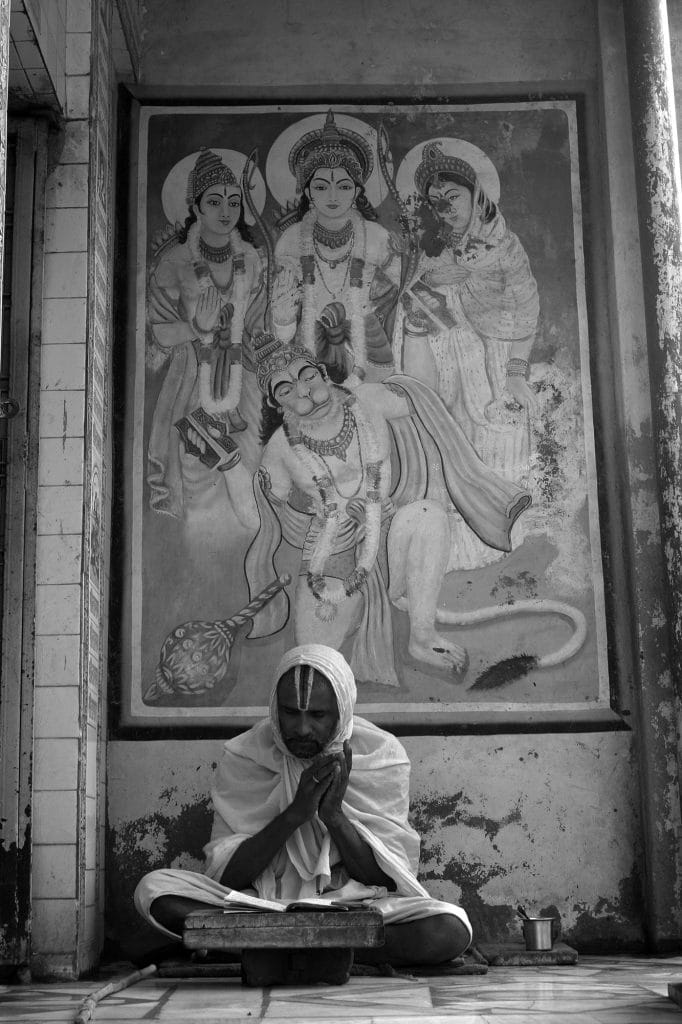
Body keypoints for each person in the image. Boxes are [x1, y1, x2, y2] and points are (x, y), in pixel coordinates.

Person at [194, 337, 530, 683]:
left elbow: (425, 395)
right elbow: (256, 515)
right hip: (333, 557)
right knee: (312, 663)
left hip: (389, 544)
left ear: (323, 374)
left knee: (429, 516)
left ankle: (422, 635)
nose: (304, 392)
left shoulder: (368, 401)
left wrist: (403, 335)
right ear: (275, 403)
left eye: (307, 376)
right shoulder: (281, 449)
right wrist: (228, 463)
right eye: (286, 389)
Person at [134, 644, 473, 967]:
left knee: (448, 928)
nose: (301, 728)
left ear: (343, 709)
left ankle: (265, 949)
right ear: (274, 707)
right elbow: (228, 876)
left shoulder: (381, 755)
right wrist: (295, 815)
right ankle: (328, 952)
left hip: (352, 908)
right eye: (290, 713)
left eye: (318, 714)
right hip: (259, 907)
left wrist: (334, 817)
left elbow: (389, 880)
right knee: (155, 891)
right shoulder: (244, 754)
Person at [395, 139, 540, 570]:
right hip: (445, 369)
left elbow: (527, 309)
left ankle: (509, 550)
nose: (446, 208)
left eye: (453, 196)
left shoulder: (505, 247)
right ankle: (456, 555)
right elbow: (409, 312)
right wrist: (429, 284)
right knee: (448, 452)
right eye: (435, 202)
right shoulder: (428, 251)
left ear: (475, 194)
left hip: (496, 364)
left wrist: (515, 374)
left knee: (502, 441)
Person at [146, 147, 266, 524]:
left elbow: (258, 326)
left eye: (233, 202)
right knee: (198, 478)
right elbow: (160, 334)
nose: (225, 211)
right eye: (214, 202)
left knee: (251, 470)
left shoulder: (251, 258)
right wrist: (198, 327)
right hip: (192, 384)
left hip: (243, 382)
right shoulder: (175, 264)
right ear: (196, 208)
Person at [271, 110, 402, 385]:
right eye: (321, 186)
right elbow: (282, 326)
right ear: (308, 193)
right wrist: (282, 316)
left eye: (343, 186)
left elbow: (401, 296)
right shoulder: (292, 241)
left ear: (356, 193)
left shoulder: (376, 237)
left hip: (367, 340)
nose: (332, 196)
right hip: (308, 341)